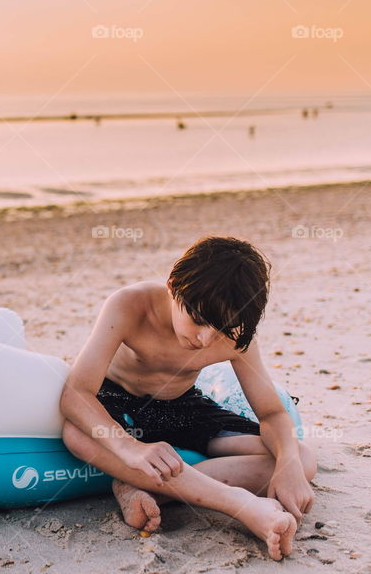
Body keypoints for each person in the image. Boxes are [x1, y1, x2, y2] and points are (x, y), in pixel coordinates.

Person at [60, 236, 316, 561]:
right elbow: (76, 393)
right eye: (197, 320)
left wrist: (289, 466)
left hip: (183, 406)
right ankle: (242, 505)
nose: (205, 338)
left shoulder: (236, 334)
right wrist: (130, 448)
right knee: (76, 434)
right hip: (117, 402)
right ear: (172, 286)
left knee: (301, 458)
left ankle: (139, 487)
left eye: (222, 328)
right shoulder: (130, 306)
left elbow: (271, 414)